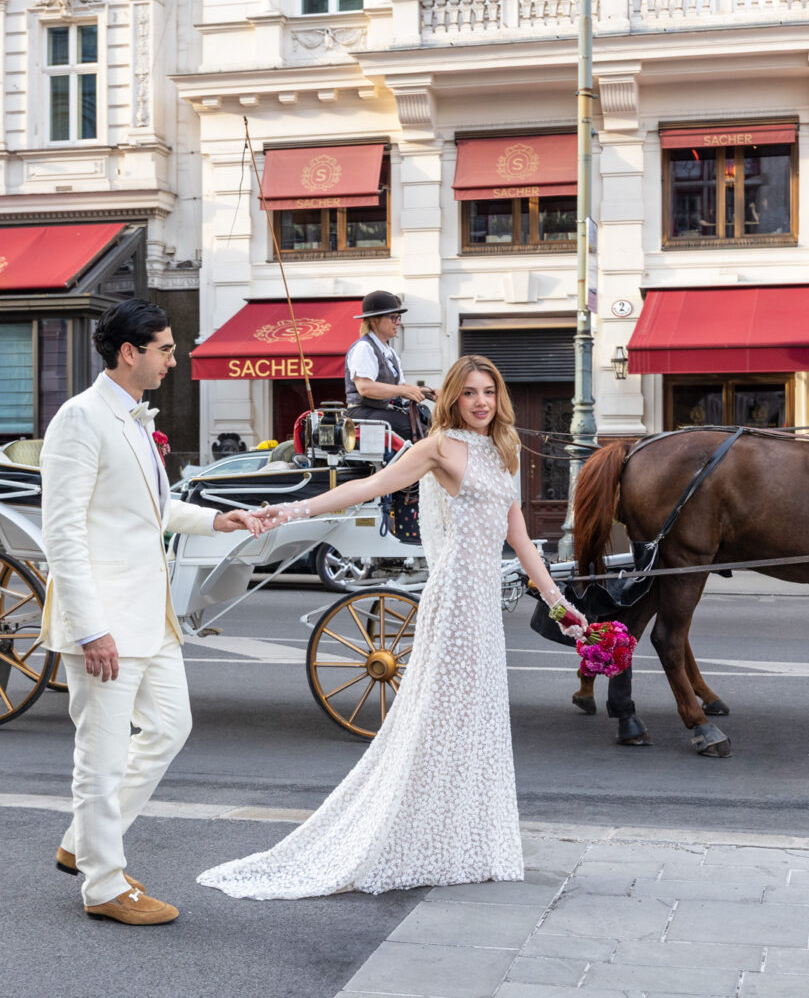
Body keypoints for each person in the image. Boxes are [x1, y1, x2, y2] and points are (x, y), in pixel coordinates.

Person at [197, 355, 583, 900]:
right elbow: (368, 488)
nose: (480, 402)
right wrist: (292, 509)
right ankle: (414, 837)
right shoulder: (437, 448)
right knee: (439, 720)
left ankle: (464, 841)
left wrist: (559, 602)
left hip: (484, 608)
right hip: (452, 602)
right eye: (469, 392)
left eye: (489, 392)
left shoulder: (505, 450)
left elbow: (518, 535)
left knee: (479, 721)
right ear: (452, 397)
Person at [38, 299, 264, 925]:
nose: (174, 358)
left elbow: (152, 511)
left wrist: (220, 519)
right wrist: (90, 629)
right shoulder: (80, 419)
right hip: (106, 620)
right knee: (102, 756)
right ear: (128, 353)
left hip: (151, 615)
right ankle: (104, 885)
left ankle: (86, 842)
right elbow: (63, 535)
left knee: (170, 726)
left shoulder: (135, 420)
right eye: (165, 348)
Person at [345, 289, 436, 442]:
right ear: (374, 320)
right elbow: (365, 387)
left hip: (379, 411)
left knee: (426, 423)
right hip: (361, 412)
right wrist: (403, 390)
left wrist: (430, 393)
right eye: (393, 318)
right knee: (415, 431)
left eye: (398, 317)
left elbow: (401, 386)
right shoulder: (364, 348)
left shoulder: (389, 352)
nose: (398, 322)